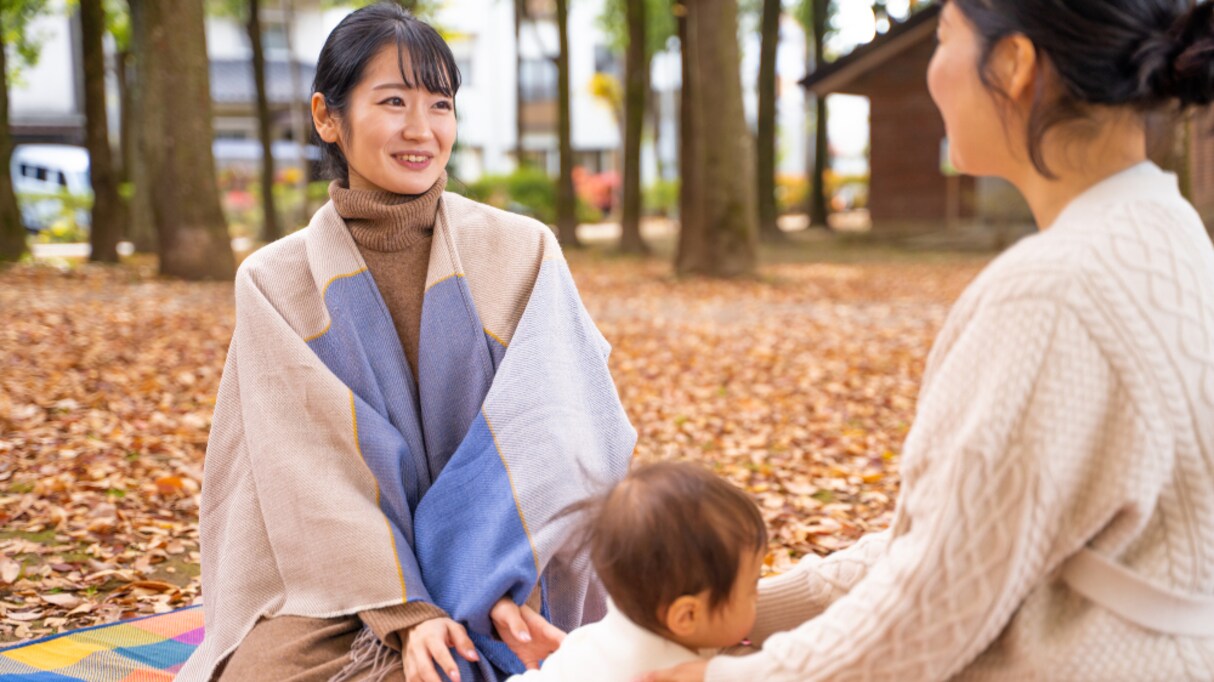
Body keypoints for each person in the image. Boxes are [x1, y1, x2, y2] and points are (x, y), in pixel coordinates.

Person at [644, 1, 1214, 680]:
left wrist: (723, 677)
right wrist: (746, 612)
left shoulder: (1054, 290)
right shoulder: (1164, 230)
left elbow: (931, 603)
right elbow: (960, 539)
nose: (932, 73)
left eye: (944, 38)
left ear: (1012, 64)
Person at [176, 4, 636, 682]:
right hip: (350, 590)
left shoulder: (522, 251)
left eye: (440, 104)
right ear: (327, 117)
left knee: (521, 656)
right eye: (393, 101)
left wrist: (485, 590)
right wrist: (406, 611)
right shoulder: (275, 283)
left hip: (510, 575)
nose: (421, 129)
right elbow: (307, 474)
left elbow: (562, 437)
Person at [507, 462, 766, 682]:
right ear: (686, 616)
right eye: (753, 585)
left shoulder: (588, 641)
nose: (760, 594)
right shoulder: (678, 674)